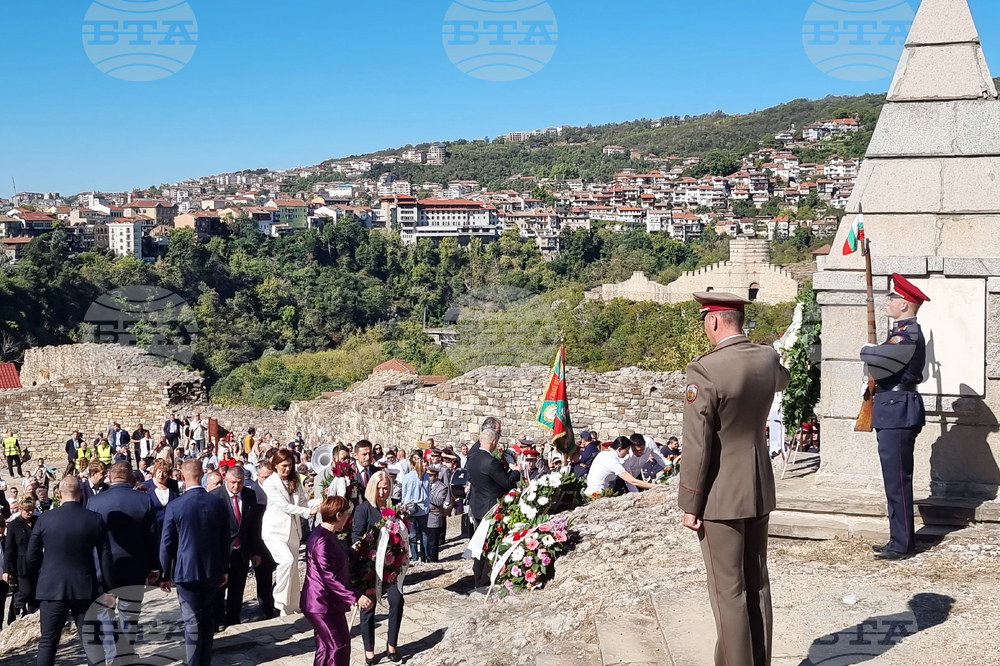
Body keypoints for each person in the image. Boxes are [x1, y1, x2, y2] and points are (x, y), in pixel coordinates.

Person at [679, 291, 790, 666]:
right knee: (757, 584)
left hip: (720, 495)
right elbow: (784, 381)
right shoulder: (765, 358)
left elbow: (698, 445)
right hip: (759, 485)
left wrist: (690, 502)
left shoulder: (706, 369)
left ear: (712, 321)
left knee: (729, 593)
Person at [861, 274, 930, 562]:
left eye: (892, 299)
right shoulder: (900, 332)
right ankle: (898, 538)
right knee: (893, 480)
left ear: (904, 304)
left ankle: (902, 544)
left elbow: (880, 360)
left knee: (898, 480)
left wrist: (867, 351)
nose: (888, 302)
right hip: (892, 407)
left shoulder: (907, 333)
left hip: (898, 408)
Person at [28, 475, 115, 666]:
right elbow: (104, 557)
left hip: (51, 586)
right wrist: (108, 589)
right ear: (82, 493)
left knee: (48, 642)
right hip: (85, 587)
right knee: (91, 642)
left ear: (59, 494)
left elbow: (31, 556)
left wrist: (43, 573)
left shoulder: (45, 519)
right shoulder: (95, 519)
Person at [160, 460, 231, 666]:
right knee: (207, 618)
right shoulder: (217, 503)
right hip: (212, 569)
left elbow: (167, 543)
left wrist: (165, 574)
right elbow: (224, 539)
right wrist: (224, 568)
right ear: (202, 475)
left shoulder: (175, 506)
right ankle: (204, 660)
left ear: (182, 477)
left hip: (186, 570)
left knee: (192, 620)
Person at [86, 461, 158, 664]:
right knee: (129, 614)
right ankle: (125, 655)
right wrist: (154, 567)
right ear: (131, 478)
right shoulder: (144, 500)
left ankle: (112, 656)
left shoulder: (95, 502)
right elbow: (152, 537)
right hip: (135, 565)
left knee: (105, 613)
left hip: (103, 565)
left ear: (110, 476)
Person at [303, 496, 371, 666]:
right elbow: (329, 576)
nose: (349, 516)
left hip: (325, 602)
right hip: (321, 603)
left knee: (325, 647)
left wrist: (354, 551)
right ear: (338, 515)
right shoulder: (321, 540)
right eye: (347, 513)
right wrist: (356, 596)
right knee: (339, 646)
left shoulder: (327, 534)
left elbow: (336, 557)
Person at [353, 471, 405, 664]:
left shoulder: (394, 509)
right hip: (370, 566)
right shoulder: (364, 509)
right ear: (372, 488)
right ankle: (369, 650)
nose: (383, 492)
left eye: (386, 488)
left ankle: (392, 645)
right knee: (368, 607)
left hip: (391, 565)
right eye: (379, 488)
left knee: (397, 600)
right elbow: (356, 537)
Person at [262, 449, 318, 616]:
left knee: (293, 569)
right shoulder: (270, 483)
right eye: (283, 466)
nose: (287, 469)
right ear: (275, 465)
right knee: (286, 561)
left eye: (289, 466)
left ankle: (291, 608)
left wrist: (322, 501)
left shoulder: (294, 480)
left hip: (293, 531)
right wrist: (309, 512)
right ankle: (279, 598)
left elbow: (303, 502)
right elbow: (285, 506)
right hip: (274, 532)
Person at [466, 422, 521, 589]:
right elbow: (506, 482)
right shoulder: (490, 461)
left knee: (479, 547)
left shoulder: (472, 458)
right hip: (490, 509)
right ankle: (484, 580)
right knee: (489, 546)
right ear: (494, 442)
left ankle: (478, 579)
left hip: (477, 506)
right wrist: (517, 471)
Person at [211, 465, 264, 629]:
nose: (236, 486)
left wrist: (256, 551)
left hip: (242, 551)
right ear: (226, 479)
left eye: (240, 483)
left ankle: (233, 620)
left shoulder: (249, 495)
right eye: (233, 482)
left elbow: (254, 525)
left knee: (237, 587)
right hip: (222, 551)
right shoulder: (215, 497)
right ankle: (218, 620)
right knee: (219, 589)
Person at [250, 461, 278, 619]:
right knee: (263, 578)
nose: (267, 480)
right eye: (264, 477)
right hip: (261, 543)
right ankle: (266, 607)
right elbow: (253, 526)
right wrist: (255, 550)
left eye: (270, 477)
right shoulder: (253, 493)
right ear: (257, 476)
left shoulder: (277, 488)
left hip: (277, 538)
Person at [3, 496, 38, 622]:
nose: (29, 513)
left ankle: (31, 617)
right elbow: (9, 548)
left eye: (31, 510)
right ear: (21, 509)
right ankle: (15, 606)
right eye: (26, 510)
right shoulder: (14, 525)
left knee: (35, 594)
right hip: (21, 563)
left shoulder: (38, 521)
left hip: (38, 562)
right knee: (25, 591)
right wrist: (6, 570)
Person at [585, 437, 658, 496]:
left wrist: (637, 495)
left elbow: (629, 480)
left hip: (597, 490)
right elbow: (632, 481)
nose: (628, 453)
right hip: (596, 493)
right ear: (619, 449)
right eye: (627, 450)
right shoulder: (612, 461)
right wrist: (656, 486)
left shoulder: (604, 454)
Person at [142, 459, 181, 548]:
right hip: (153, 529)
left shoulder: (173, 485)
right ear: (155, 472)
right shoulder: (145, 486)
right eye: (159, 472)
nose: (161, 475)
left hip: (170, 528)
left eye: (164, 473)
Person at [401, 453, 431, 563]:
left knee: (412, 534)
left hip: (411, 509)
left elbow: (404, 495)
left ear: (411, 463)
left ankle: (414, 556)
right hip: (423, 508)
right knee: (424, 534)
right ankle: (426, 556)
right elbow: (428, 493)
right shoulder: (426, 476)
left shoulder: (407, 477)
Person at [426, 467, 452, 563]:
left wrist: (428, 494)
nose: (429, 478)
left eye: (431, 476)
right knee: (425, 540)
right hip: (425, 515)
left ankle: (433, 559)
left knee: (433, 541)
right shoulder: (425, 485)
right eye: (428, 475)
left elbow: (439, 501)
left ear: (436, 476)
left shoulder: (442, 487)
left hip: (434, 515)